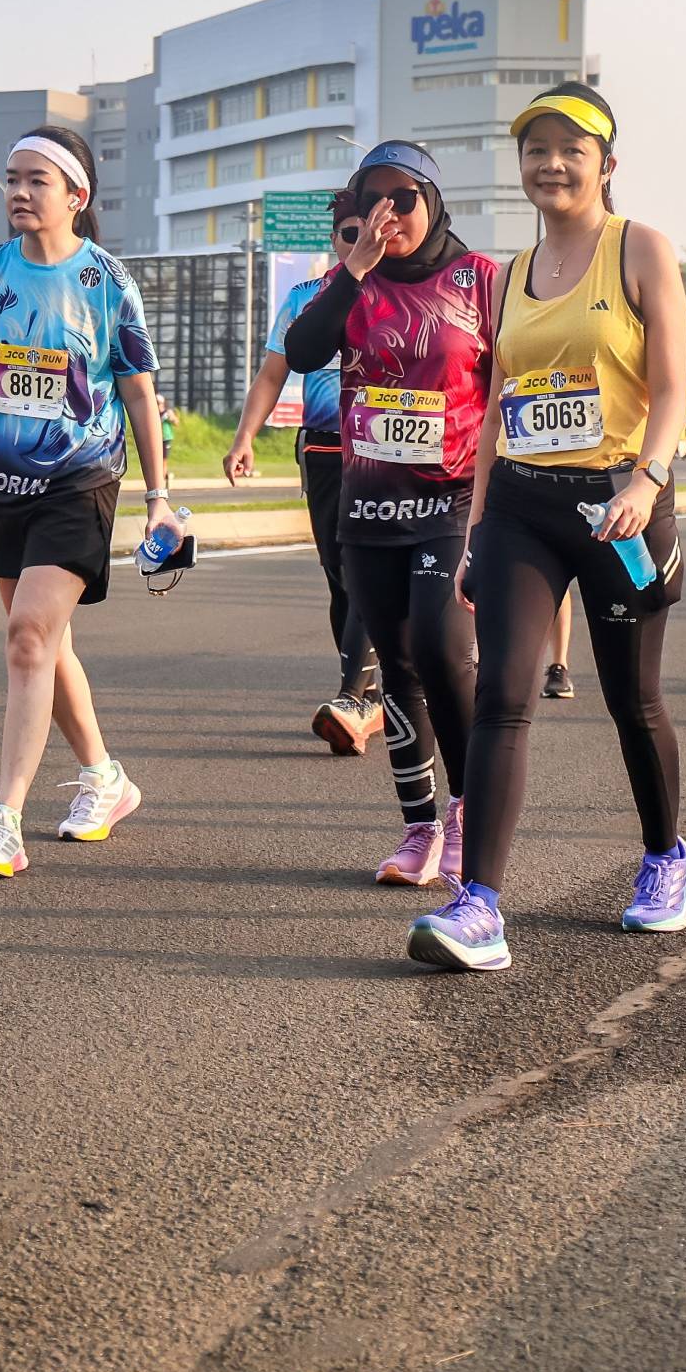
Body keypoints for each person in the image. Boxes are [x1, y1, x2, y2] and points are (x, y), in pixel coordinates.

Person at [408, 81, 686, 971]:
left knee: (631, 699)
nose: (552, 164)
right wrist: (476, 528)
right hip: (523, 507)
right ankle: (480, 907)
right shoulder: (511, 274)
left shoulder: (640, 248)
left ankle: (667, 857)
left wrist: (648, 480)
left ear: (607, 165)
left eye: (572, 149)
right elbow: (500, 404)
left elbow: (674, 387)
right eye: (537, 149)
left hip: (618, 506)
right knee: (502, 695)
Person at [0, 125, 177, 877]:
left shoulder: (106, 281)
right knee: (45, 643)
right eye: (12, 179)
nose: (20, 193)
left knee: (28, 636)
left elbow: (138, 391)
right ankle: (104, 776)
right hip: (3, 484)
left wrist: (159, 497)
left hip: (80, 479)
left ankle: (3, 821)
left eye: (37, 180)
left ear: (76, 195)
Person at [281, 142, 500, 883]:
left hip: (451, 500)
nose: (388, 214)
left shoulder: (481, 279)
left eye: (403, 199)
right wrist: (354, 270)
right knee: (398, 668)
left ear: (432, 202)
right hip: (369, 503)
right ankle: (419, 828)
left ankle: (466, 813)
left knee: (442, 652)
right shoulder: (350, 283)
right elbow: (301, 349)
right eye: (372, 199)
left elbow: (510, 381)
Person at [229, 239, 385, 756]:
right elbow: (273, 372)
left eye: (369, 227)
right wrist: (245, 437)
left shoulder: (399, 288)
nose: (361, 239)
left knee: (365, 570)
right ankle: (369, 691)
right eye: (349, 231)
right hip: (322, 449)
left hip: (383, 451)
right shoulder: (304, 297)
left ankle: (353, 695)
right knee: (339, 575)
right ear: (336, 237)